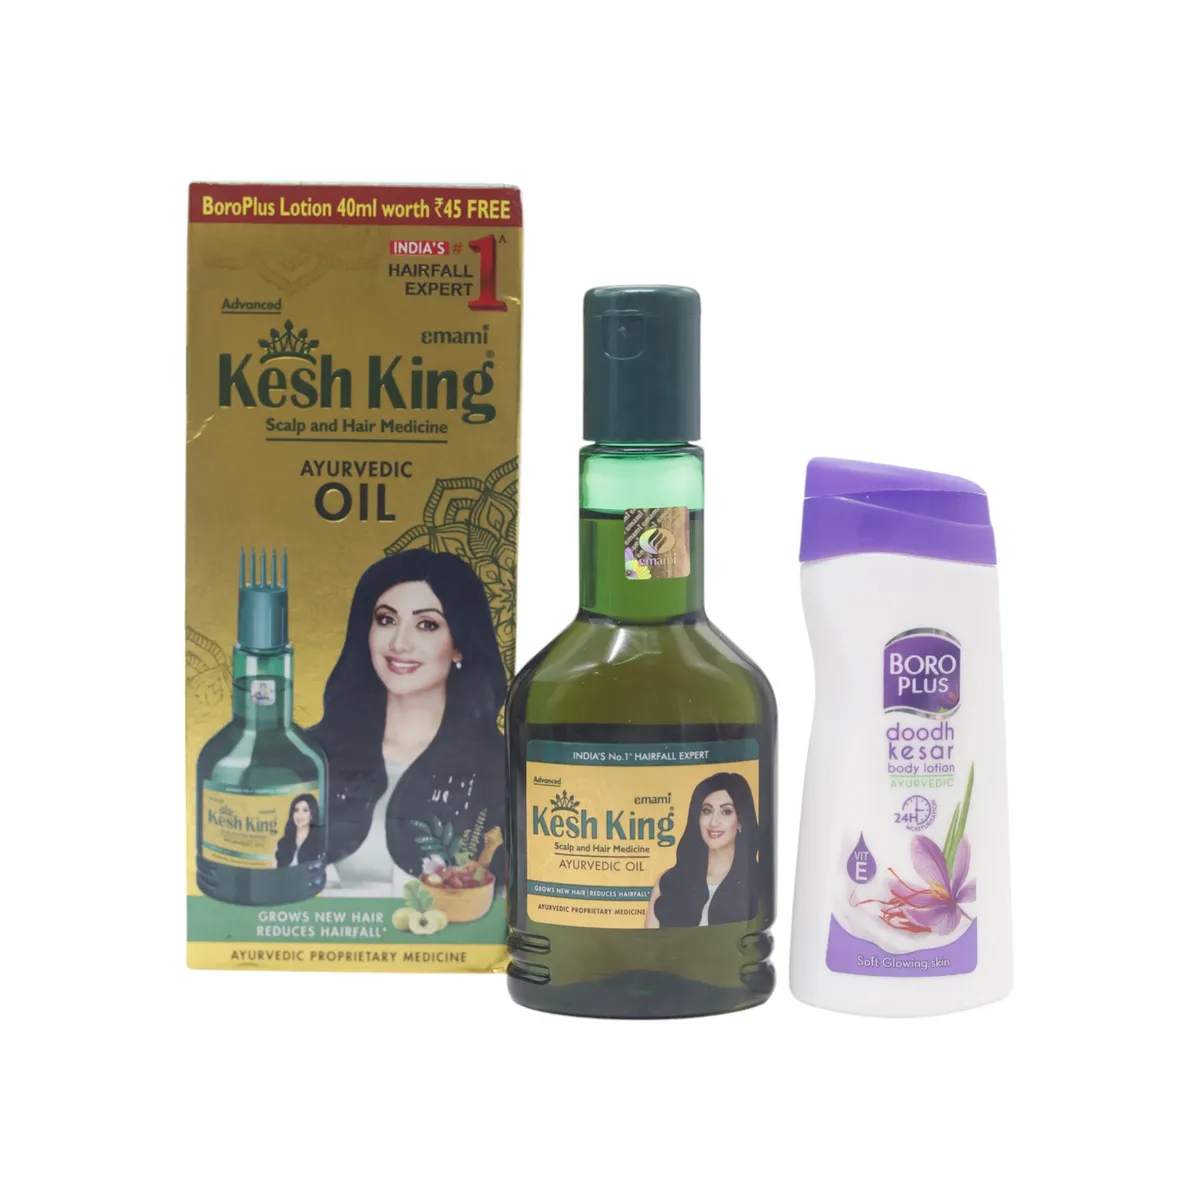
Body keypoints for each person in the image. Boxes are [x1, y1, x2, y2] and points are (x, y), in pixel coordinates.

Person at [309, 550, 507, 899]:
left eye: (427, 624)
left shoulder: (500, 765)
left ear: (459, 645)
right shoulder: (309, 755)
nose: (399, 643)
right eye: (386, 620)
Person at [645, 772, 759, 928]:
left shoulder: (758, 881)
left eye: (726, 812)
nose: (714, 822)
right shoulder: (668, 881)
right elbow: (649, 940)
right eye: (707, 811)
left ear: (740, 821)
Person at [274, 794, 322, 867]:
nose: (300, 815)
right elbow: (274, 870)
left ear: (312, 814)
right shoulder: (282, 843)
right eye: (296, 810)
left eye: (305, 810)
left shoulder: (320, 840)